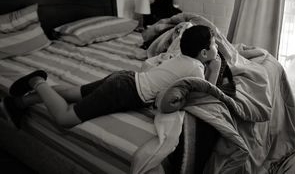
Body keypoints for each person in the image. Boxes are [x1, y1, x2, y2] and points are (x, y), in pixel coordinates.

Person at [1, 25, 221, 129]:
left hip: (124, 78)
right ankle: (37, 81)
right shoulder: (197, 69)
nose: (217, 47)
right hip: (125, 91)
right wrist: (215, 68)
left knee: (70, 93)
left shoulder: (181, 57)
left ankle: (20, 102)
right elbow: (205, 96)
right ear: (203, 53)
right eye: (214, 45)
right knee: (65, 119)